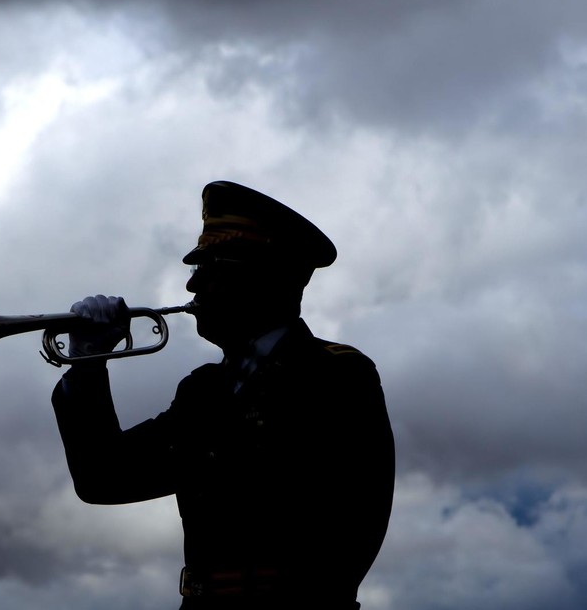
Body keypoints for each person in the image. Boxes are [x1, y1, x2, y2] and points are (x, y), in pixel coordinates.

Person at [51, 181, 395, 609]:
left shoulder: (336, 374)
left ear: (264, 276)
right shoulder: (202, 390)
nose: (193, 286)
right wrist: (87, 363)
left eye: (211, 267)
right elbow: (105, 478)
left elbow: (357, 524)